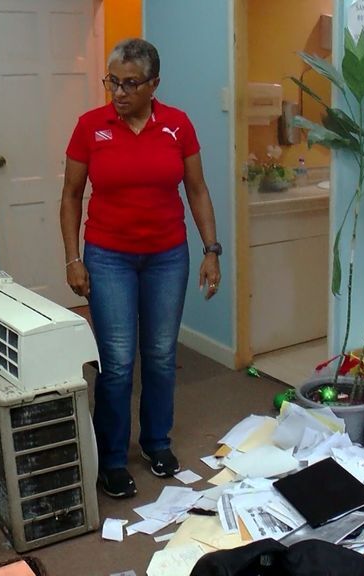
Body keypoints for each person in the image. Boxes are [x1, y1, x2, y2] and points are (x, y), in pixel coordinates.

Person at [59, 38, 221, 499]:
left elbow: (197, 189)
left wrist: (211, 249)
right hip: (108, 257)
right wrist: (73, 258)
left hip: (167, 257)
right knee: (117, 361)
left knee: (162, 354)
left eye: (130, 83)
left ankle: (155, 441)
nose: (119, 92)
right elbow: (71, 196)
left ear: (154, 84)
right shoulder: (91, 127)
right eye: (113, 81)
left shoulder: (178, 125)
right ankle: (111, 459)